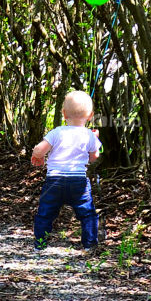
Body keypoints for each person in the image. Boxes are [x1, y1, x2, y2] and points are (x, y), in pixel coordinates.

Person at [30, 90, 102, 253]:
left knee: (46, 212)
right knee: (87, 213)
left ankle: (40, 244)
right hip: (78, 182)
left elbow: (40, 149)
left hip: (54, 181)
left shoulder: (57, 132)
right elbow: (94, 157)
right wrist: (95, 139)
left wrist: (38, 156)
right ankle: (90, 244)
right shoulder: (89, 135)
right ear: (90, 116)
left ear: (63, 113)